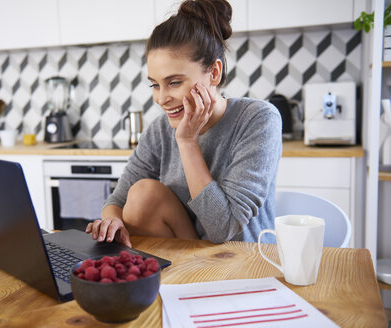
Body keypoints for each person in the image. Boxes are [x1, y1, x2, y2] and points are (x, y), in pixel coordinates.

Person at [86, 0, 282, 247]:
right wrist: (112, 221)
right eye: (155, 85)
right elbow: (118, 200)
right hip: (185, 262)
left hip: (240, 261)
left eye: (174, 82)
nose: (161, 98)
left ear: (214, 73)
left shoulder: (257, 120)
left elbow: (224, 230)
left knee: (145, 195)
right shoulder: (159, 130)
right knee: (142, 194)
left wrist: (187, 141)